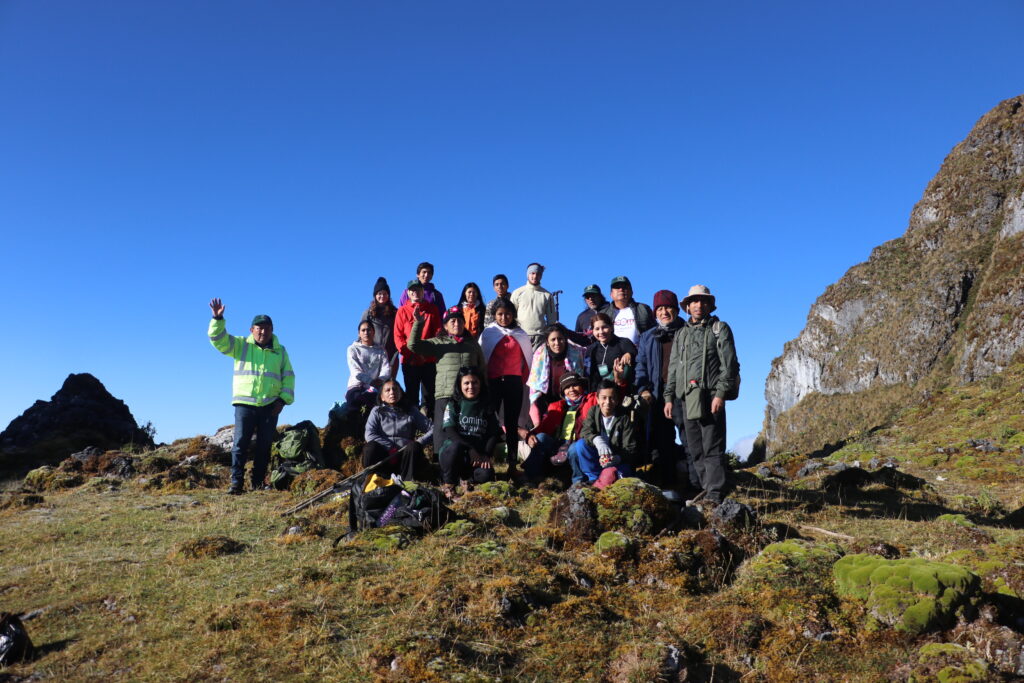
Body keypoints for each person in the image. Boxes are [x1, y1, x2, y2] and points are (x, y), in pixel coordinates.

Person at [207, 298, 294, 494]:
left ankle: (257, 484)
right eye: (259, 328)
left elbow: (288, 377)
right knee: (240, 444)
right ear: (251, 330)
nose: (263, 332)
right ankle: (236, 484)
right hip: (244, 403)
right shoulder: (241, 345)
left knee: (264, 446)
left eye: (267, 328)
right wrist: (217, 319)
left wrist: (282, 400)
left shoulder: (280, 351)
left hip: (270, 404)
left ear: (272, 330)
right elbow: (218, 340)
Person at [664, 285, 739, 504]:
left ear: (709, 305)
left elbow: (729, 365)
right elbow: (673, 368)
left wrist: (720, 394)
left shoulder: (719, 329)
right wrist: (669, 398)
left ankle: (715, 494)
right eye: (694, 301)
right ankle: (707, 490)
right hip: (686, 398)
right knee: (695, 448)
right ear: (687, 307)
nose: (698, 305)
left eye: (703, 301)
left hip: (710, 396)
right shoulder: (681, 334)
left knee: (712, 446)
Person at [635, 289, 695, 492]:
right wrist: (643, 389)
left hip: (684, 394)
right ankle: (669, 484)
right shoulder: (648, 337)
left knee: (689, 439)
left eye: (668, 307)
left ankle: (695, 484)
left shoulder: (687, 331)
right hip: (657, 395)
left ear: (676, 309)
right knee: (663, 441)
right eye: (659, 309)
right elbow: (641, 365)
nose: (664, 312)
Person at [409, 304, 486, 456]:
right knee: (441, 430)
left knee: (465, 430)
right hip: (445, 394)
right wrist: (418, 323)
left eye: (460, 321)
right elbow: (413, 345)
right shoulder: (439, 343)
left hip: (468, 396)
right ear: (445, 326)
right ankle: (439, 462)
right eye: (452, 321)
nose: (457, 324)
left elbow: (482, 369)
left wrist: (484, 391)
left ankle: (467, 461)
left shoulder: (473, 344)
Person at [480, 300, 534, 480]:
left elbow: (527, 362)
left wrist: (521, 381)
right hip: (493, 382)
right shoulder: (489, 333)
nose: (504, 317)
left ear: (513, 315)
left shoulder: (521, 335)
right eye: (500, 314)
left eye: (508, 314)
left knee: (512, 425)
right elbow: (482, 359)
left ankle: (512, 465)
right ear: (494, 315)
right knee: (489, 422)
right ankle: (485, 461)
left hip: (514, 382)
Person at [521, 373, 597, 483]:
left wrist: (619, 379)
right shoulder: (557, 406)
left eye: (575, 385)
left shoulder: (592, 400)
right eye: (567, 387)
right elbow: (543, 427)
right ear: (562, 391)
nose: (571, 389)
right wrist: (530, 435)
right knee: (541, 437)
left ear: (582, 386)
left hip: (579, 445)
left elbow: (611, 394)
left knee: (575, 447)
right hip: (559, 445)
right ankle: (532, 477)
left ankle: (578, 482)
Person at [438, 366, 500, 499]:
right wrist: (470, 449)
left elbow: (493, 434)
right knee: (456, 447)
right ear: (460, 385)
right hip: (453, 454)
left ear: (480, 384)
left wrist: (486, 455)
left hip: (476, 457)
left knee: (486, 475)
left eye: (475, 382)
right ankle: (449, 485)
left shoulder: (488, 406)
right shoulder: (453, 404)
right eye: (466, 383)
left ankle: (466, 481)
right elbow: (450, 431)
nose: (471, 386)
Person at [362, 379, 433, 481]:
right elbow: (369, 434)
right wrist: (390, 447)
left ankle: (408, 483)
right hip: (385, 457)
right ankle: (372, 481)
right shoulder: (376, 411)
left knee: (414, 447)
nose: (392, 392)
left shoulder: (411, 410)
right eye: (387, 390)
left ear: (400, 393)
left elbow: (433, 429)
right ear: (382, 397)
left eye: (395, 389)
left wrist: (420, 442)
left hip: (405, 457)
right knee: (370, 447)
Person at [573, 379, 637, 488]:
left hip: (617, 463)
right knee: (580, 445)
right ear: (597, 399)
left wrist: (617, 458)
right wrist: (596, 439)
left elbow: (630, 448)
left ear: (617, 400)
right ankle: (593, 479)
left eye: (611, 398)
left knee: (610, 475)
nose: (607, 402)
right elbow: (585, 431)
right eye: (604, 398)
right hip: (598, 459)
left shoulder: (624, 418)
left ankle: (601, 484)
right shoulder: (593, 411)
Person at [393, 280, 441, 415]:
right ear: (408, 293)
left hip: (429, 360)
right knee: (411, 396)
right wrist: (411, 355)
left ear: (423, 291)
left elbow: (438, 333)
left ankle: (429, 423)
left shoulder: (432, 309)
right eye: (412, 290)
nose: (415, 292)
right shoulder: (402, 311)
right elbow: (398, 337)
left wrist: (426, 354)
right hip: (410, 361)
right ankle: (412, 424)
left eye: (418, 289)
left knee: (429, 396)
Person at [526, 323, 586, 425]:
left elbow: (580, 385)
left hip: (571, 402)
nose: (557, 343)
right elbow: (534, 393)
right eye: (553, 340)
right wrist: (537, 424)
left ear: (565, 339)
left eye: (560, 339)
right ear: (547, 342)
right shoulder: (539, 356)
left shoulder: (576, 354)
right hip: (545, 403)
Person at [345, 320, 392, 413]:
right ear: (359, 333)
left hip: (377, 386)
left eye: (369, 330)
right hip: (356, 386)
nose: (366, 332)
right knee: (355, 405)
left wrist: (380, 380)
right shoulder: (352, 349)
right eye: (363, 330)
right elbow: (355, 371)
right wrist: (371, 381)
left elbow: (386, 369)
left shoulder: (381, 350)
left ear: (373, 332)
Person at [586, 312, 638, 392]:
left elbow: (636, 358)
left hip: (623, 391)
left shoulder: (623, 342)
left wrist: (630, 354)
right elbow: (589, 375)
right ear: (592, 331)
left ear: (611, 327)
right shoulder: (591, 350)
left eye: (604, 327)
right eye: (597, 329)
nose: (601, 332)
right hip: (599, 393)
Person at [361, 277, 399, 378]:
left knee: (389, 384)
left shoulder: (395, 313)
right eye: (379, 293)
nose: (382, 296)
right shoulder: (368, 314)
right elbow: (361, 335)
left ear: (388, 295)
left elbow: (400, 332)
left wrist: (396, 352)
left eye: (385, 293)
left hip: (390, 355)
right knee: (372, 385)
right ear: (375, 295)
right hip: (372, 356)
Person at [510, 263, 557, 345]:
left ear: (541, 276)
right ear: (528, 274)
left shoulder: (547, 295)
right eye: (532, 273)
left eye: (538, 274)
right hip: (520, 335)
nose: (535, 276)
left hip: (540, 337)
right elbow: (511, 315)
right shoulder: (517, 293)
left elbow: (551, 320)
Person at [601, 276, 654, 345]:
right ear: (611, 294)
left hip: (640, 351)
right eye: (617, 287)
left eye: (624, 287)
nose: (621, 289)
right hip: (611, 351)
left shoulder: (644, 309)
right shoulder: (603, 314)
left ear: (632, 292)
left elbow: (654, 333)